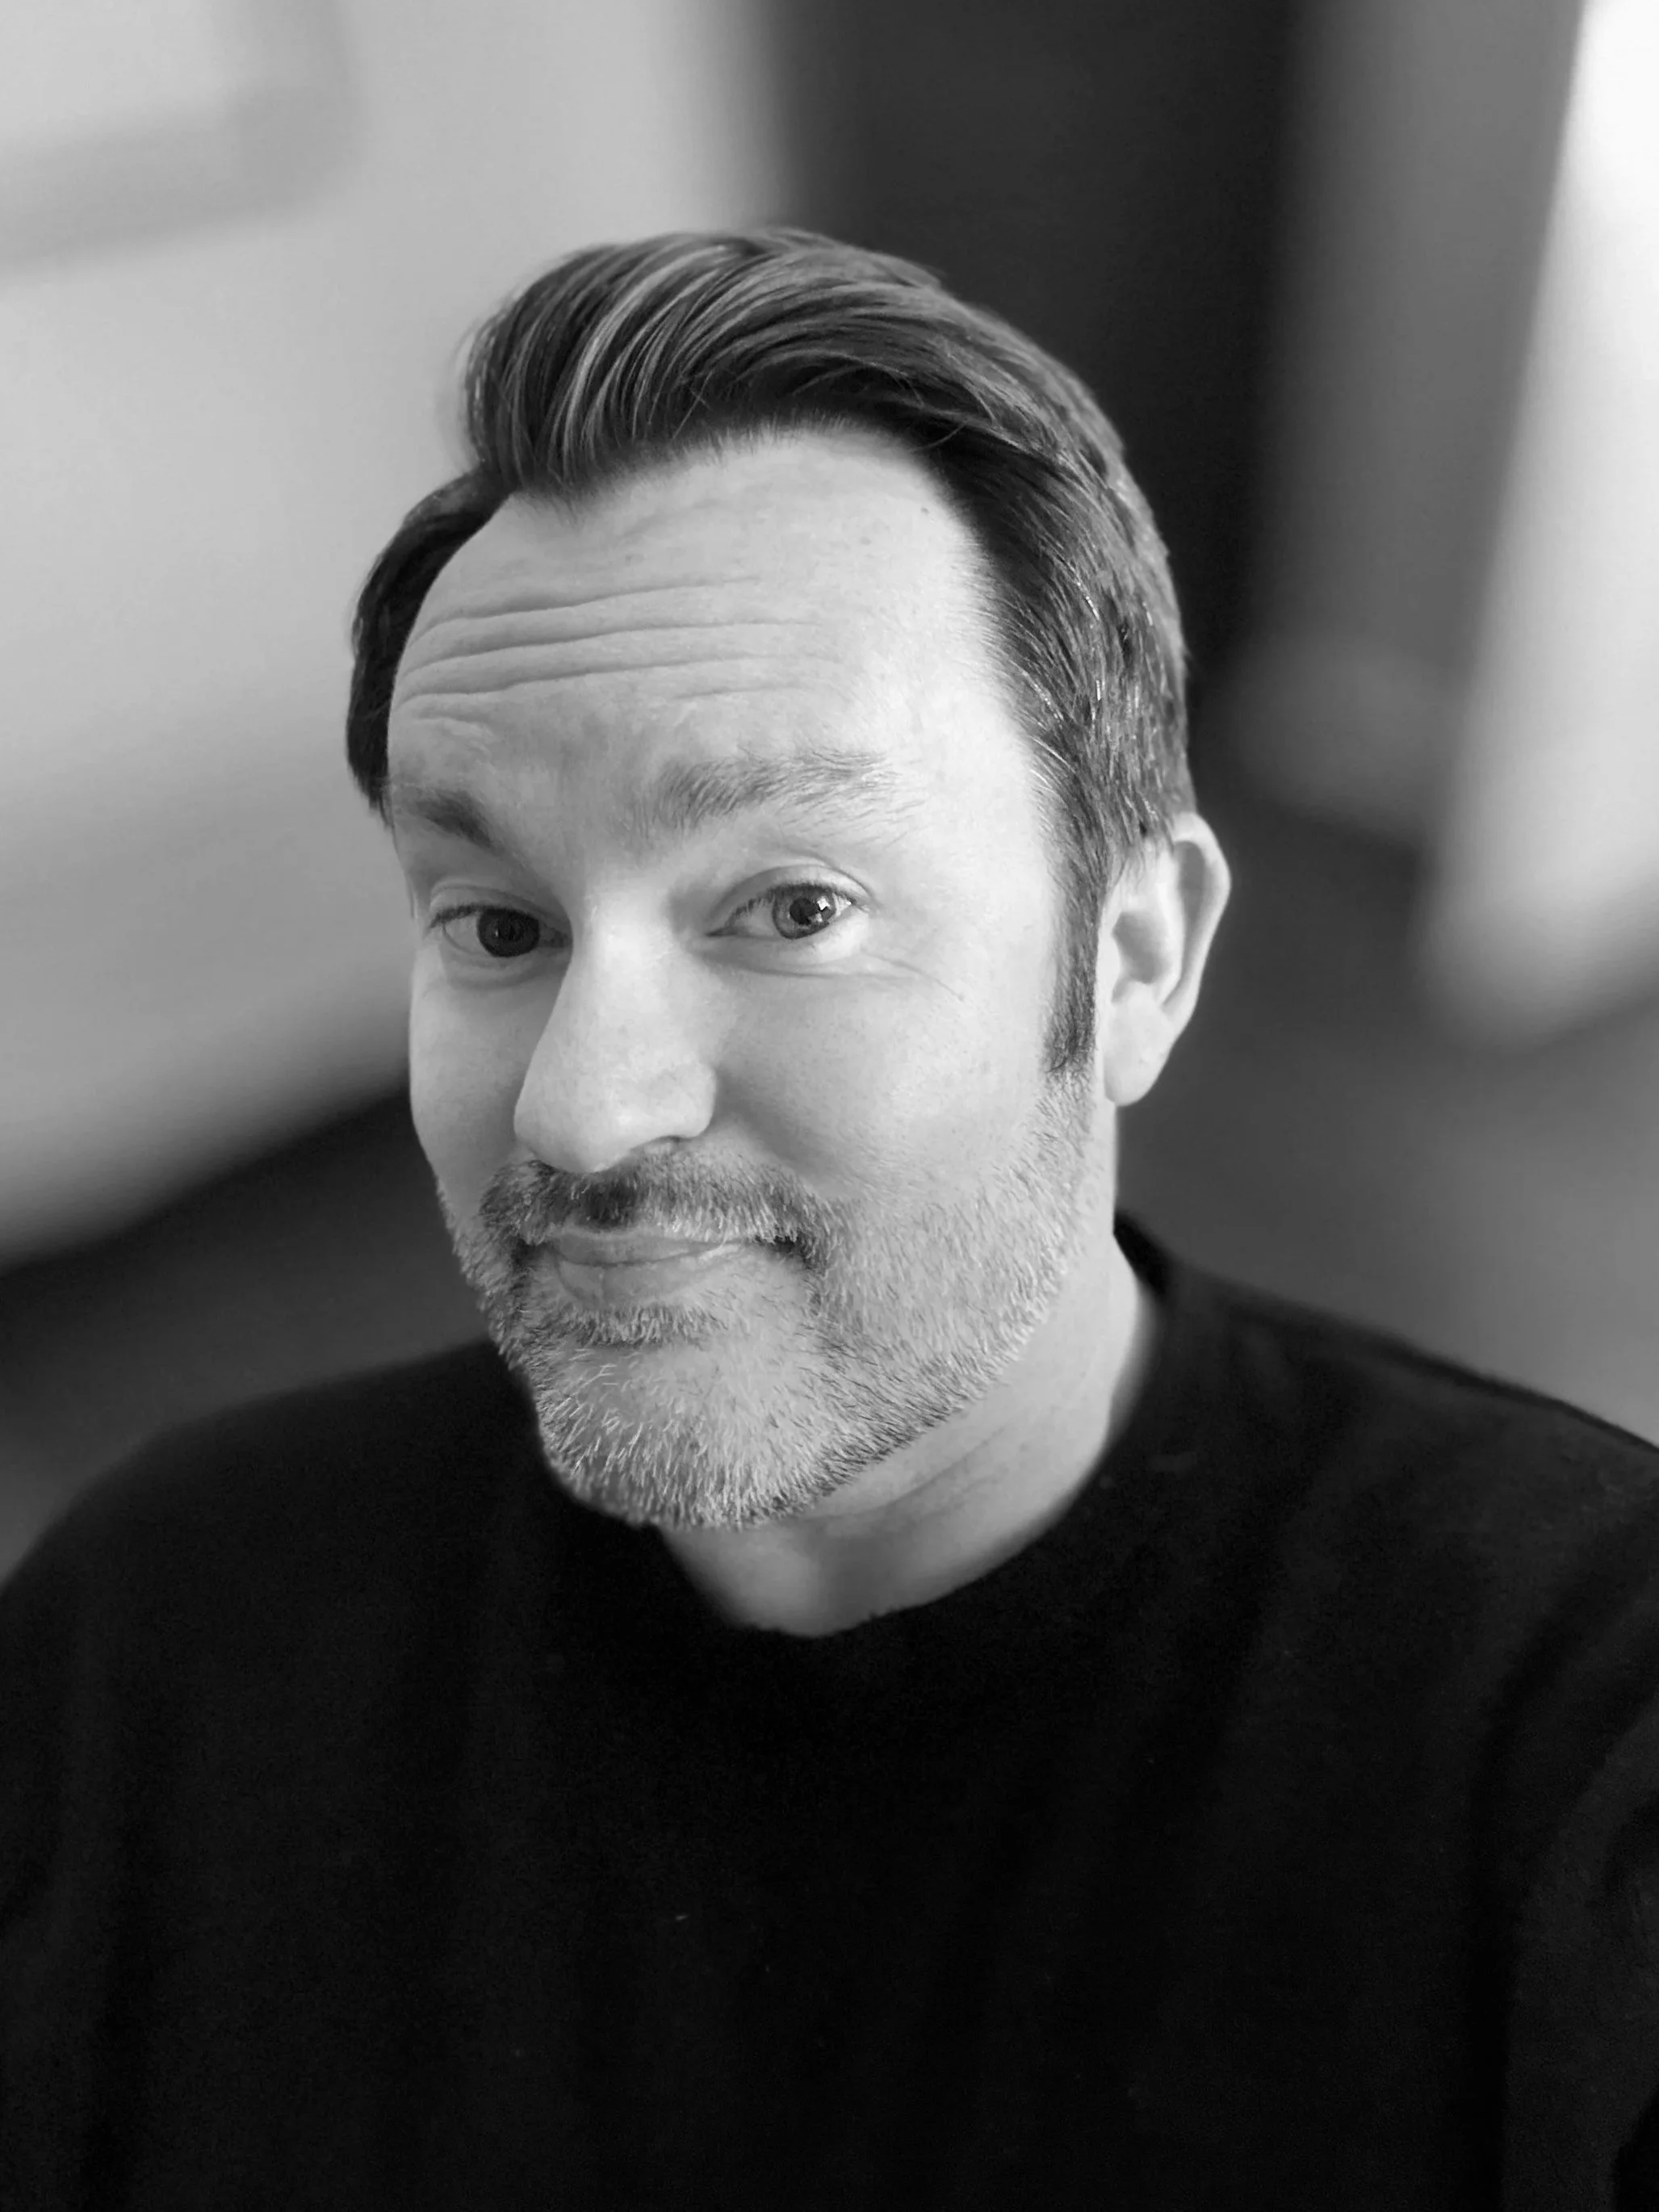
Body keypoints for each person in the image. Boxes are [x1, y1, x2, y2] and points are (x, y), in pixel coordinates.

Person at [2, 228, 1658, 2212]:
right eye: (498, 923)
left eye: (793, 904)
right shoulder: (158, 1630)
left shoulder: (1578, 1738)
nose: (583, 1106)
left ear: (1132, 959)